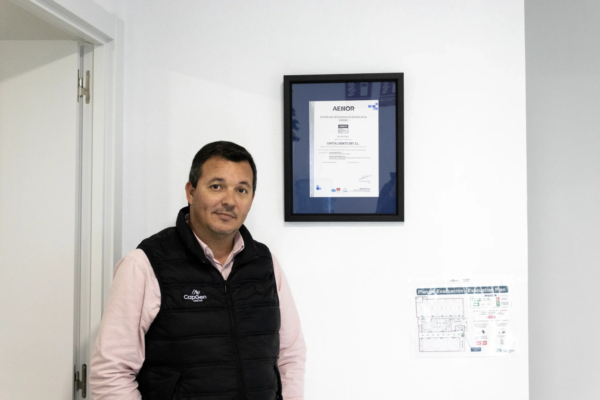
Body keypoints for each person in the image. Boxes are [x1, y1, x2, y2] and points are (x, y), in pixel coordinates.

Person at [90, 141, 306, 400]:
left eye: (241, 190)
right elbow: (111, 371)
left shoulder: (265, 263)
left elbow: (290, 355)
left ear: (251, 199)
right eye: (216, 186)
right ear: (191, 192)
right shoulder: (144, 264)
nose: (229, 201)